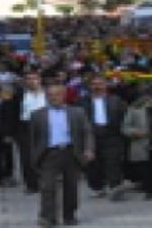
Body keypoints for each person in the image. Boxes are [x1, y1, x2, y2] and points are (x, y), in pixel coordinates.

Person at [30, 84, 94, 228]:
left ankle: (69, 215)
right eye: (51, 95)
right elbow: (33, 138)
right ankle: (48, 217)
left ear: (64, 95)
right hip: (49, 154)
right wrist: (34, 158)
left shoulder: (77, 112)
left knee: (71, 187)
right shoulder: (37, 115)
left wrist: (88, 149)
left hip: (71, 152)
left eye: (57, 94)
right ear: (46, 97)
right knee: (48, 187)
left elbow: (87, 132)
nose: (54, 98)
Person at [79, 75, 127, 200]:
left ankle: (115, 187)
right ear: (90, 86)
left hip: (111, 135)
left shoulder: (115, 100)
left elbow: (124, 117)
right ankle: (98, 187)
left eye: (100, 84)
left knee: (113, 162)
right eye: (94, 84)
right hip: (91, 136)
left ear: (106, 86)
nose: (97, 87)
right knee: (93, 164)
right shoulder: (83, 102)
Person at [16, 70, 47, 194]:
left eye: (34, 78)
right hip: (26, 127)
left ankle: (46, 182)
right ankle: (31, 185)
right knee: (27, 158)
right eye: (28, 78)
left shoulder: (47, 94)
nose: (32, 81)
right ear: (25, 81)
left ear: (39, 80)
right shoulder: (19, 95)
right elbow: (12, 113)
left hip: (46, 126)